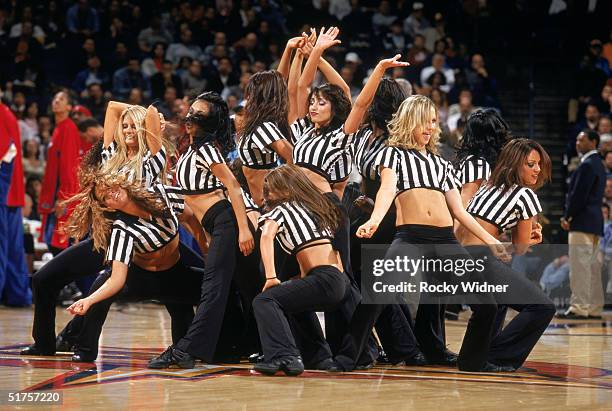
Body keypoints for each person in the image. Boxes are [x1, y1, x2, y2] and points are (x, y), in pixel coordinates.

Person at [350, 95, 508, 372]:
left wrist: (491, 240)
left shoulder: (442, 164)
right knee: (376, 297)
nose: (430, 127)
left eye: (434, 121)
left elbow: (460, 212)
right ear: (410, 121)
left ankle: (473, 361)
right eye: (424, 121)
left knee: (487, 304)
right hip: (410, 237)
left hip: (445, 241)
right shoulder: (392, 153)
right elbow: (387, 189)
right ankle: (347, 357)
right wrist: (374, 220)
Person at [148, 92, 256, 369]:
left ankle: (185, 350)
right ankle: (229, 346)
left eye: (198, 114)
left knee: (214, 288)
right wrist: (204, 238)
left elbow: (232, 186)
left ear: (209, 122)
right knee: (234, 287)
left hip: (228, 222)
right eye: (191, 112)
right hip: (215, 226)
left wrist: (244, 229)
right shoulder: (193, 149)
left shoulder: (208, 149)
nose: (190, 118)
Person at [62, 173, 207, 362]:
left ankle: (228, 345)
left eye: (111, 187)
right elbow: (116, 280)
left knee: (221, 288)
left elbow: (191, 220)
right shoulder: (121, 230)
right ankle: (84, 349)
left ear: (122, 184)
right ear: (107, 206)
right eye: (105, 196)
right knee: (101, 287)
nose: (111, 194)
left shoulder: (162, 194)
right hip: (141, 281)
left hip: (176, 275)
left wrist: (207, 251)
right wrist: (88, 301)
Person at [457, 138, 556, 371]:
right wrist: (533, 238)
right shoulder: (525, 196)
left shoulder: (487, 187)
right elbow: (520, 248)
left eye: (539, 164)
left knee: (498, 302)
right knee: (542, 307)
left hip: (456, 257)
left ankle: (477, 356)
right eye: (531, 164)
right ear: (514, 165)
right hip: (480, 258)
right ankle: (494, 357)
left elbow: (490, 242)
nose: (538, 169)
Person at [252, 164, 349, 376]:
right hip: (337, 280)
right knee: (293, 301)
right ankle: (320, 358)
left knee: (265, 300)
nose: (267, 193)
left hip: (324, 278)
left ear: (286, 189)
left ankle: (284, 356)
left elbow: (267, 236)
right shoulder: (315, 208)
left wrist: (271, 276)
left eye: (271, 188)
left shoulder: (281, 210)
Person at [559, 129, 606, 319]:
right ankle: (594, 308)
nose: (578, 143)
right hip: (595, 222)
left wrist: (567, 216)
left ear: (594, 142)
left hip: (582, 221)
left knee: (580, 267)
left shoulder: (587, 164)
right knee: (592, 267)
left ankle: (579, 308)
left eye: (582, 140)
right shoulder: (599, 164)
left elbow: (578, 196)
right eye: (577, 140)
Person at [238, 70, 293, 205]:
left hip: (269, 204)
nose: (248, 98)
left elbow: (293, 155)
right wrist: (289, 49)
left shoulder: (263, 128)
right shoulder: (258, 123)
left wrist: (282, 188)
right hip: (255, 203)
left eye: (252, 93)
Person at [0, 100, 32, 306]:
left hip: (4, 191)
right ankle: (18, 295)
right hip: (11, 192)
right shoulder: (7, 113)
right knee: (12, 250)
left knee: (5, 248)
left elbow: (6, 150)